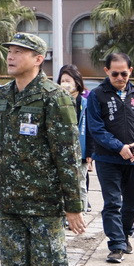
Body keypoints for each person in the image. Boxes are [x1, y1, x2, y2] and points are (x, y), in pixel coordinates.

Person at [0, 33, 84, 266]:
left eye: (20, 52)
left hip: (45, 204)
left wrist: (74, 206)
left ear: (38, 59)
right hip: (11, 204)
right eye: (10, 51)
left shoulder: (53, 97)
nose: (12, 56)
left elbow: (68, 155)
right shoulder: (1, 96)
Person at [84, 52, 134, 264]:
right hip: (108, 160)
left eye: (123, 73)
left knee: (132, 203)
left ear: (130, 71)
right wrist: (119, 147)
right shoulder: (97, 96)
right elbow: (96, 128)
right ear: (107, 71)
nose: (119, 77)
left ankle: (125, 235)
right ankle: (116, 245)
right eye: (114, 73)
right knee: (113, 203)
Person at [57, 64, 92, 214]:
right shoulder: (57, 102)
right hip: (62, 151)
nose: (64, 84)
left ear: (77, 82)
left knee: (80, 185)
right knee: (62, 186)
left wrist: (90, 153)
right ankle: (65, 216)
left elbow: (91, 129)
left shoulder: (86, 103)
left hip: (82, 151)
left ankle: (81, 213)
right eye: (62, 80)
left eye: (68, 80)